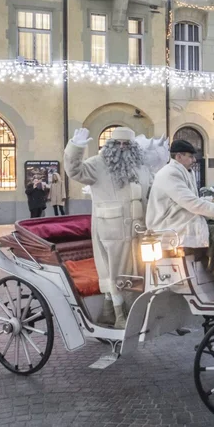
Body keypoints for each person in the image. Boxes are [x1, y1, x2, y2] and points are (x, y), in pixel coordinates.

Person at [64, 126, 152, 327]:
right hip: (111, 230)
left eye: (126, 144)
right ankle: (119, 315)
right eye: (117, 143)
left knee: (136, 271)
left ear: (133, 147)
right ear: (111, 145)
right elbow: (75, 170)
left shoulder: (141, 168)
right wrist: (75, 147)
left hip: (139, 232)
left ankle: (127, 312)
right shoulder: (98, 164)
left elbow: (151, 193)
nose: (121, 147)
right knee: (115, 272)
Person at [146, 139, 214, 295]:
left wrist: (212, 202)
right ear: (179, 156)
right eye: (190, 156)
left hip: (180, 222)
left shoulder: (182, 171)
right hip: (169, 227)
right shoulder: (169, 174)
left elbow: (190, 200)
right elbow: (192, 204)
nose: (194, 160)